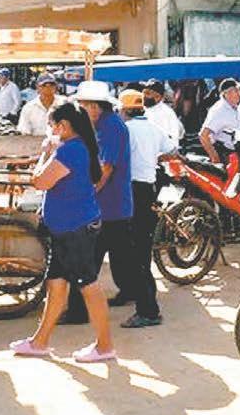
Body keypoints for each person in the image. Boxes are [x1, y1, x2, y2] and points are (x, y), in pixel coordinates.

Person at [12, 102, 116, 362]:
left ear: (63, 126)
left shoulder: (69, 150)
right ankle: (39, 342)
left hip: (74, 229)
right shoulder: (78, 147)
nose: (50, 130)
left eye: (52, 126)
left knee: (88, 286)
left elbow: (40, 181)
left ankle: (105, 346)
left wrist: (45, 153)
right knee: (56, 283)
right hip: (68, 227)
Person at [62, 81, 135, 326]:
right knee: (118, 259)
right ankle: (132, 295)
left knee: (87, 260)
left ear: (94, 106)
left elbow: (106, 168)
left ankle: (79, 311)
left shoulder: (110, 127)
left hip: (108, 206)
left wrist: (88, 194)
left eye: (83, 106)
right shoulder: (104, 124)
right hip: (110, 206)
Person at [120, 89, 173, 327]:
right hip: (147, 189)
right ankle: (134, 294)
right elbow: (171, 149)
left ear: (124, 110)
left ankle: (149, 311)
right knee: (137, 249)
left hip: (133, 190)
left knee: (137, 252)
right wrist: (152, 159)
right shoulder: (152, 128)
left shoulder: (126, 130)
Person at [200, 79, 240, 162]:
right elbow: (203, 136)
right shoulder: (219, 110)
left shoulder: (234, 105)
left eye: (239, 90)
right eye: (236, 91)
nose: (239, 93)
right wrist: (215, 157)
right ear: (227, 94)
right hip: (224, 153)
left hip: (235, 151)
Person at [142, 80, 184, 146]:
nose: (144, 96)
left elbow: (174, 138)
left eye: (148, 93)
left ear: (158, 97)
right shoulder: (142, 108)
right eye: (144, 92)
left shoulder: (166, 113)